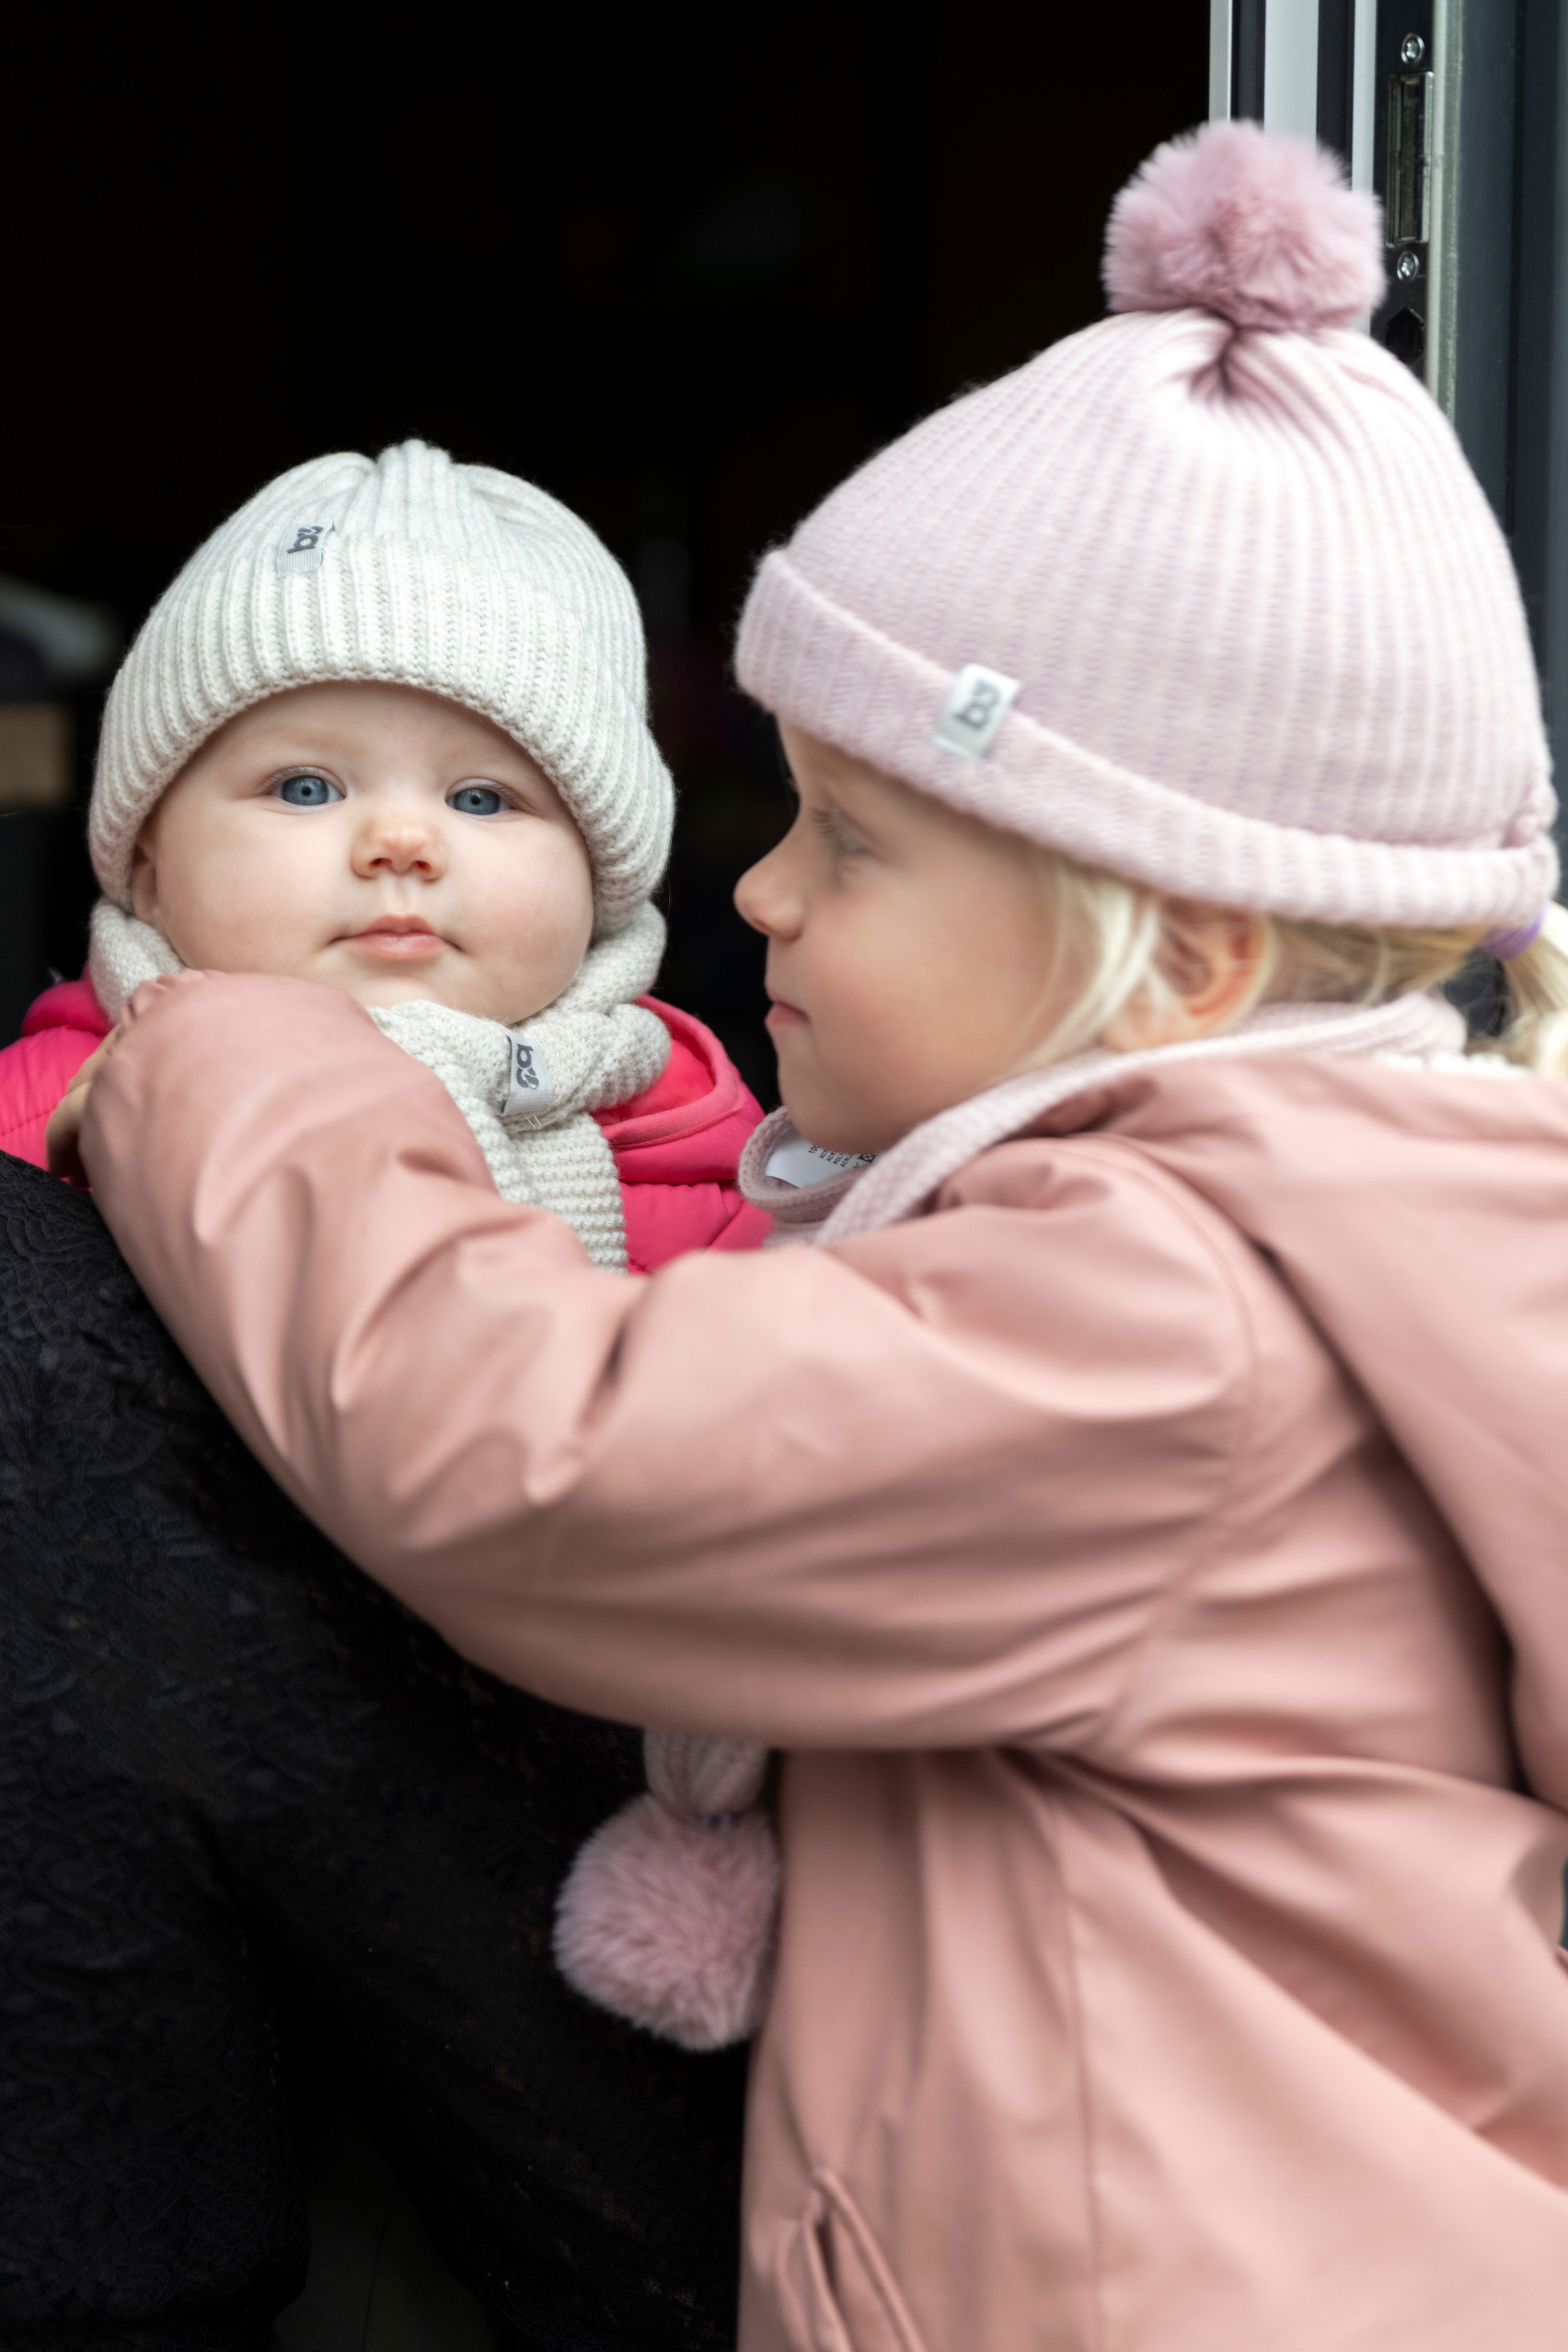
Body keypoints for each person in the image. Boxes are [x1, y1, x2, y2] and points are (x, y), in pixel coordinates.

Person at [67, 122, 1568, 2349]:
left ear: (1181, 957)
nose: (759, 895)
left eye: (852, 841)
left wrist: (252, 1056)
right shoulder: (1336, 1222)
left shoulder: (1167, 1313)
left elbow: (539, 1454)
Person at [1, 442, 769, 2345]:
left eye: (488, 793)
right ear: (145, 854)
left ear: (604, 868)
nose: (401, 842)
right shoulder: (54, 1120)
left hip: (538, 1815)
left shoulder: (699, 1142)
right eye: (306, 783)